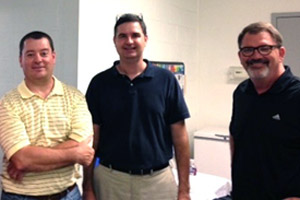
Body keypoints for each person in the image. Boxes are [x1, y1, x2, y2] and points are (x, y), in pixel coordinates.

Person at [83, 13, 191, 200]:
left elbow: (180, 138)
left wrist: (184, 190)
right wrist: (88, 187)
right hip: (110, 181)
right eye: (122, 36)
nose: (129, 41)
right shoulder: (100, 83)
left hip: (157, 182)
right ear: (115, 41)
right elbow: (92, 139)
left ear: (145, 39)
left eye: (135, 35)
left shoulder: (166, 81)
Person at [0, 31, 95, 200]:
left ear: (53, 57)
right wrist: (74, 154)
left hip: (68, 195)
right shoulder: (7, 103)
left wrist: (31, 161)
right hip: (20, 196)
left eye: (44, 53)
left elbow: (81, 143)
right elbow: (21, 158)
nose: (38, 60)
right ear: (20, 60)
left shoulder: (75, 97)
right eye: (30, 54)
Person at [230, 22, 300, 200]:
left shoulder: (296, 95)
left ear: (281, 53)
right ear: (240, 56)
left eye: (264, 48)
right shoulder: (241, 93)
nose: (256, 56)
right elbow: (235, 137)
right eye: (248, 50)